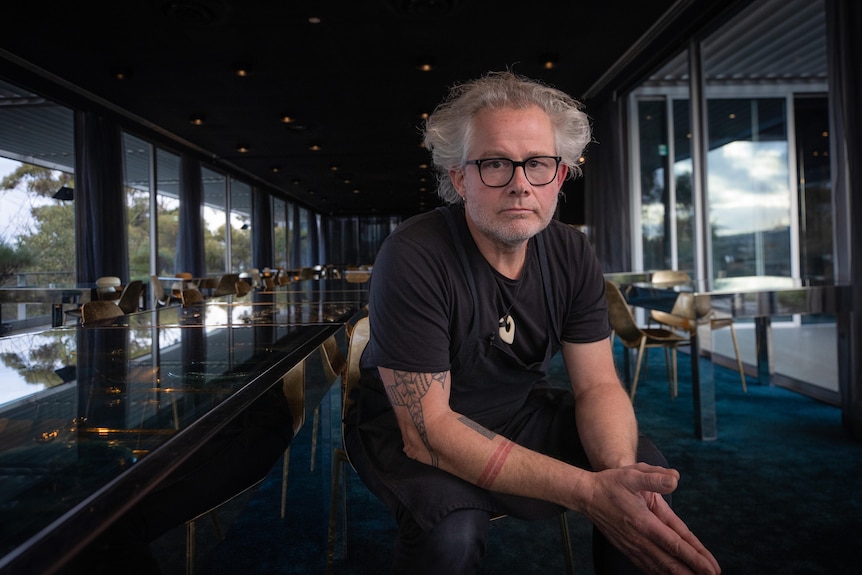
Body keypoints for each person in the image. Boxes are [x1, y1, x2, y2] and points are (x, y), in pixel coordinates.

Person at [343, 70, 721, 575]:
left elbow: (598, 386)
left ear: (560, 176)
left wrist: (615, 477)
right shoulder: (414, 255)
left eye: (538, 164)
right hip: (406, 425)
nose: (521, 184)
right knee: (453, 526)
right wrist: (589, 493)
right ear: (460, 178)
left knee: (638, 477)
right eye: (496, 163)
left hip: (515, 411)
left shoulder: (571, 250)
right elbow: (428, 431)